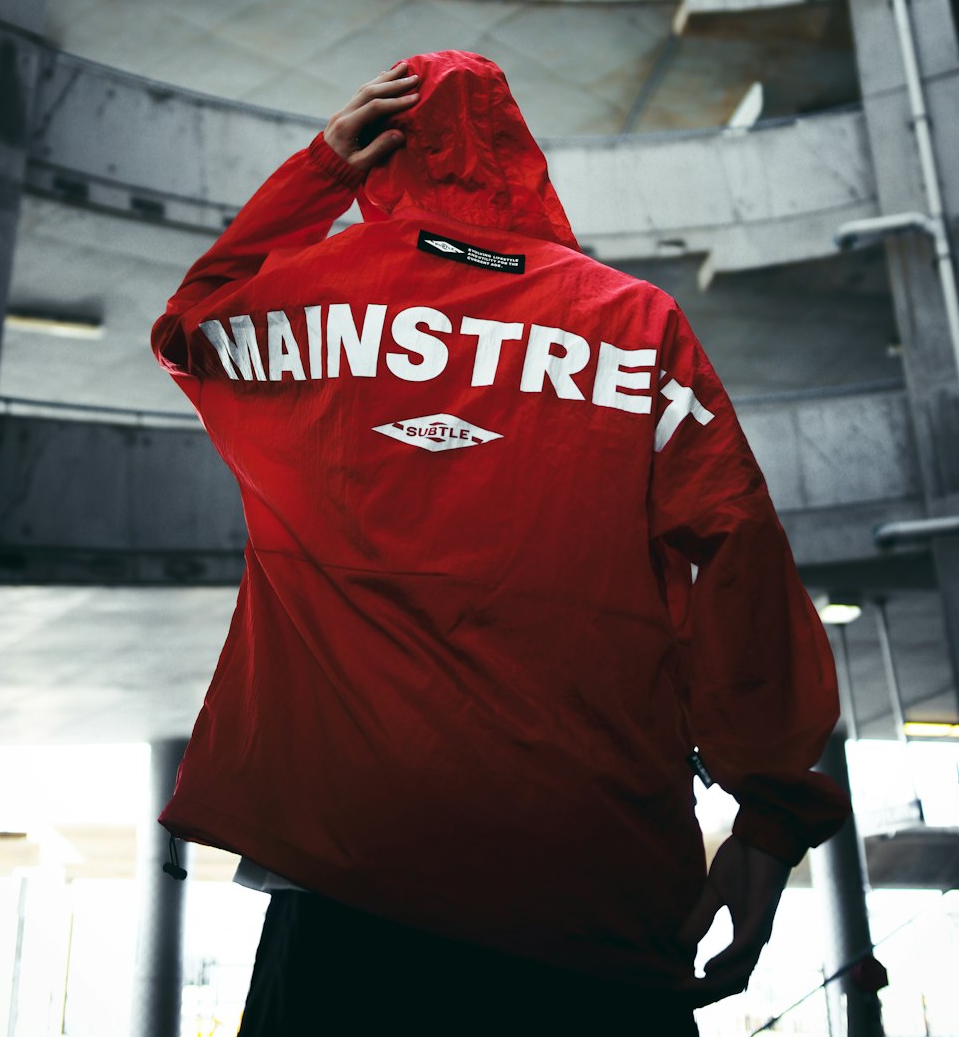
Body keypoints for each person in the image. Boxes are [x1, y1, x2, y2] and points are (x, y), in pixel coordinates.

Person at [151, 51, 849, 1032]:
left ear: (384, 151)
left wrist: (318, 171)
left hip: (350, 887)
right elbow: (738, 555)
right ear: (521, 155)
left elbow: (189, 323)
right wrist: (768, 823)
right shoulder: (635, 323)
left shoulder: (309, 299)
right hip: (592, 896)